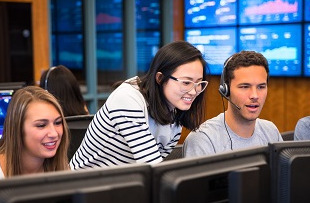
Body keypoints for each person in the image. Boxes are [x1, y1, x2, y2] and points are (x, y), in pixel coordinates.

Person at [70, 40, 208, 169]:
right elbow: (152, 166)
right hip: (82, 186)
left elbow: (150, 172)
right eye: (186, 82)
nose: (194, 91)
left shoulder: (175, 119)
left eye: (199, 83)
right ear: (160, 78)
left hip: (120, 187)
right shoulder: (128, 98)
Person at [183, 50, 282, 158]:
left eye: (261, 87)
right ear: (226, 90)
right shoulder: (204, 139)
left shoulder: (271, 131)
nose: (255, 95)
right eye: (245, 87)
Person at [0, 86, 70, 180]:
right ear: (18, 129)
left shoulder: (62, 169)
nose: (54, 134)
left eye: (57, 123)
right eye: (41, 125)